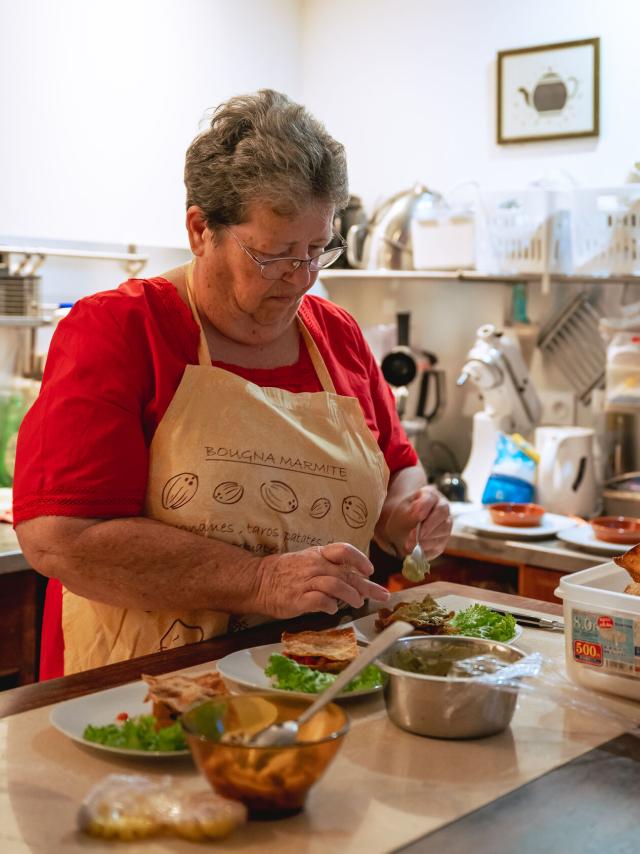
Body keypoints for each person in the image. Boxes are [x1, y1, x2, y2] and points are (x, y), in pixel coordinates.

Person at [13, 90, 452, 677]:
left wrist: (404, 514)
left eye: (318, 250)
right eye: (274, 255)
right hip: (143, 689)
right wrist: (259, 580)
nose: (302, 278)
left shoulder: (338, 336)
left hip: (317, 683)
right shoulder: (120, 331)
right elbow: (60, 537)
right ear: (201, 230)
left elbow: (398, 468)